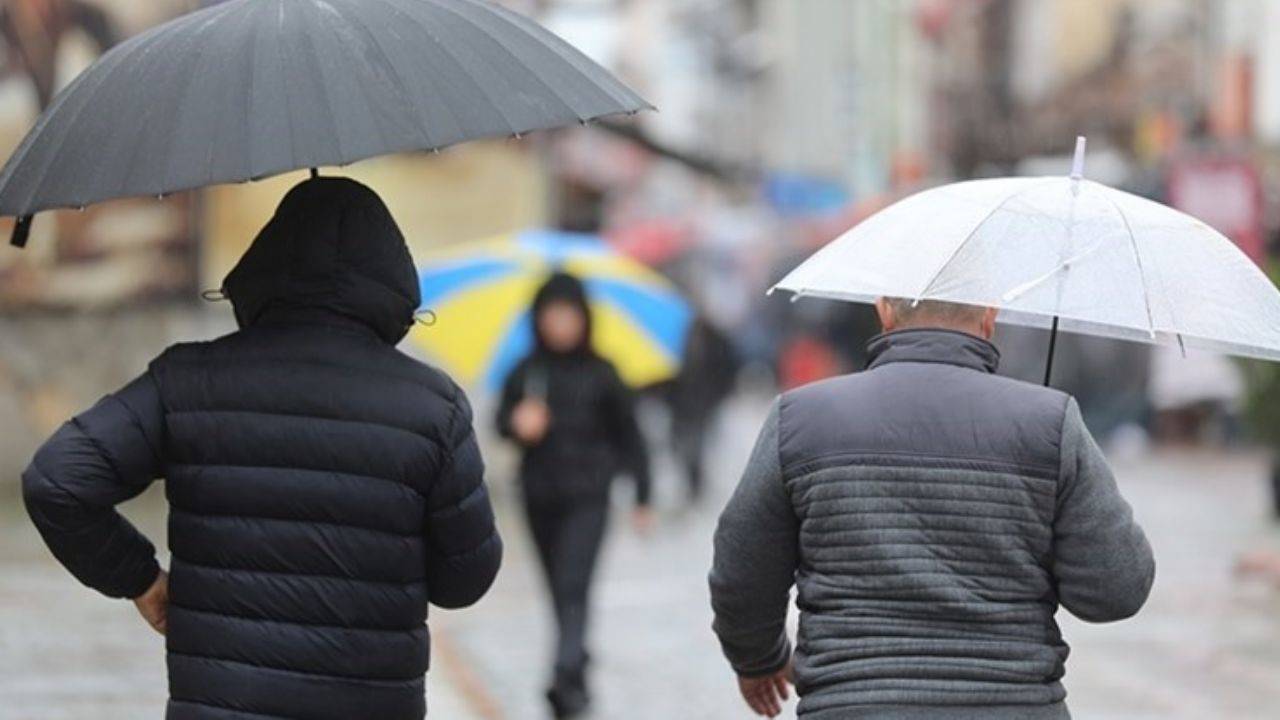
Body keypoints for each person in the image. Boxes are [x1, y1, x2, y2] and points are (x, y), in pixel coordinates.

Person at [22, 178, 502, 720]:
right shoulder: (433, 407)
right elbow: (465, 580)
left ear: (264, 265)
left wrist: (142, 579)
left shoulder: (187, 381)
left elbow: (57, 481)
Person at [709, 297, 1156, 719]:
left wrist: (759, 659)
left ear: (884, 311)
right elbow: (1116, 590)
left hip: (851, 705)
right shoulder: (1049, 421)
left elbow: (742, 570)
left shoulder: (800, 417)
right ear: (989, 315)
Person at [496, 271, 653, 719]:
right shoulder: (527, 372)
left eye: (568, 314)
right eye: (552, 314)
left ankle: (564, 674)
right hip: (538, 496)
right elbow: (500, 423)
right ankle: (576, 664)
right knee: (557, 588)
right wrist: (518, 424)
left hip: (589, 497)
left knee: (573, 585)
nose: (560, 323)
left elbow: (632, 438)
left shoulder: (603, 372)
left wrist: (643, 497)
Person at [668, 314, 738, 501]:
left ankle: (696, 485)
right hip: (682, 403)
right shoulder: (675, 339)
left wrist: (718, 394)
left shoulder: (717, 341)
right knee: (681, 444)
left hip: (703, 402)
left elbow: (726, 370)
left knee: (697, 445)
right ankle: (692, 483)